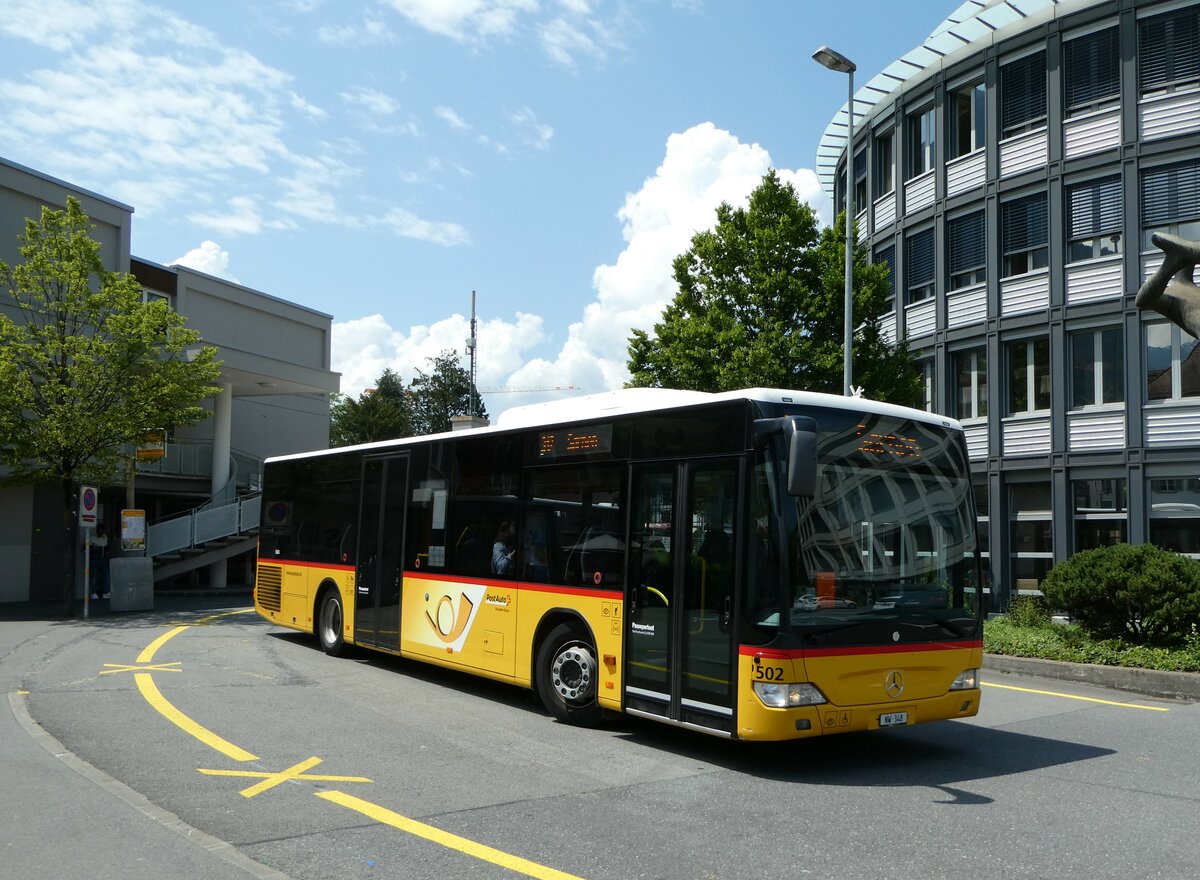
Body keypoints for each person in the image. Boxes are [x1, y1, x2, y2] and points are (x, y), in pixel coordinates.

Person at [1136, 232, 1200, 341]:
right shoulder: (1179, 293)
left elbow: (1142, 300)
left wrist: (1167, 268)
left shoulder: (1179, 293)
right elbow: (1142, 301)